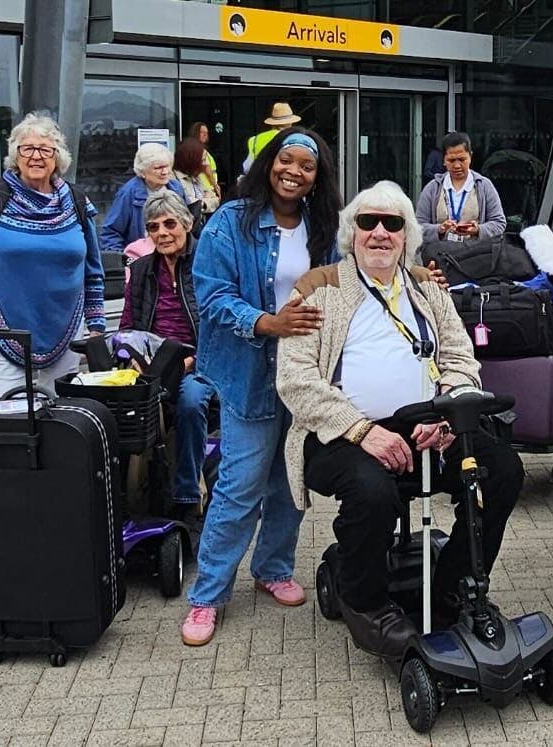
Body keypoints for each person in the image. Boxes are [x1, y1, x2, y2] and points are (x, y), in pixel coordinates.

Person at [276, 181, 523, 656]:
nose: (380, 233)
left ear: (407, 235)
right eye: (368, 222)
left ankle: (454, 585)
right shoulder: (318, 289)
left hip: (430, 423)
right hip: (339, 431)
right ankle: (365, 603)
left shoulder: (427, 287)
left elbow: (460, 357)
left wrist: (450, 415)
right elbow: (295, 379)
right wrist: (362, 430)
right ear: (353, 232)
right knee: (372, 489)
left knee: (502, 471)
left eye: (393, 223)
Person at [183, 128, 343, 646]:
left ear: (319, 177)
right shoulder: (231, 220)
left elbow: (363, 275)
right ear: (269, 162)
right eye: (285, 160)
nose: (293, 171)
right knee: (241, 483)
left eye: (307, 165)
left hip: (304, 377)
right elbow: (210, 294)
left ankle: (272, 568)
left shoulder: (325, 228)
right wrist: (265, 322)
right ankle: (208, 594)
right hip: (249, 371)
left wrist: (420, 274)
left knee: (289, 480)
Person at [0, 112, 105, 398]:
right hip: (4, 338)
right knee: (11, 428)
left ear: (57, 158)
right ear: (15, 155)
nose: (36, 156)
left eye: (45, 149)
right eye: (27, 148)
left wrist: (96, 328)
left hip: (67, 340)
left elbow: (92, 275)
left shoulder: (78, 203)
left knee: (64, 428)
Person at [120, 190, 217, 526]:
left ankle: (187, 495)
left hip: (199, 363)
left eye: (169, 223)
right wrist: (130, 358)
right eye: (153, 227)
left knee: (190, 401)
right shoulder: (143, 270)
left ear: (187, 224)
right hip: (150, 365)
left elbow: (220, 327)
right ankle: (125, 500)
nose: (161, 233)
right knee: (116, 405)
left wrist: (190, 362)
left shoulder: (208, 263)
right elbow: (128, 327)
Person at [414, 132, 507, 246]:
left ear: (470, 157)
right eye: (451, 160)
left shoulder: (484, 186)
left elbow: (499, 223)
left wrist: (478, 230)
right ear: (443, 160)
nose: (457, 166)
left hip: (476, 255)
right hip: (439, 254)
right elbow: (418, 226)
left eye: (462, 159)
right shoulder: (432, 188)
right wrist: (440, 229)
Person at [100, 143, 189, 252]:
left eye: (167, 166)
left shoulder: (176, 188)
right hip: (143, 260)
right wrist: (127, 261)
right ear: (142, 172)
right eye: (158, 168)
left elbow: (188, 222)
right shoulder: (129, 193)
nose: (165, 172)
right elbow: (111, 233)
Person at [244, 102, 300, 175]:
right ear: (290, 123)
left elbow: (247, 168)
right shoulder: (294, 138)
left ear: (272, 123)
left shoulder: (255, 139)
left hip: (260, 182)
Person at [174, 135, 219, 217]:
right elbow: (188, 206)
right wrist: (202, 202)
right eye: (202, 160)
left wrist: (203, 203)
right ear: (191, 160)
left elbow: (216, 200)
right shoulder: (174, 180)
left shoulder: (196, 177)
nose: (206, 164)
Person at [189, 121, 219, 189]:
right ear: (195, 133)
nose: (205, 134)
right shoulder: (200, 150)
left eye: (206, 132)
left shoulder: (193, 149)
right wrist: (215, 186)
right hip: (205, 189)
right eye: (202, 132)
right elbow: (207, 170)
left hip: (202, 188)